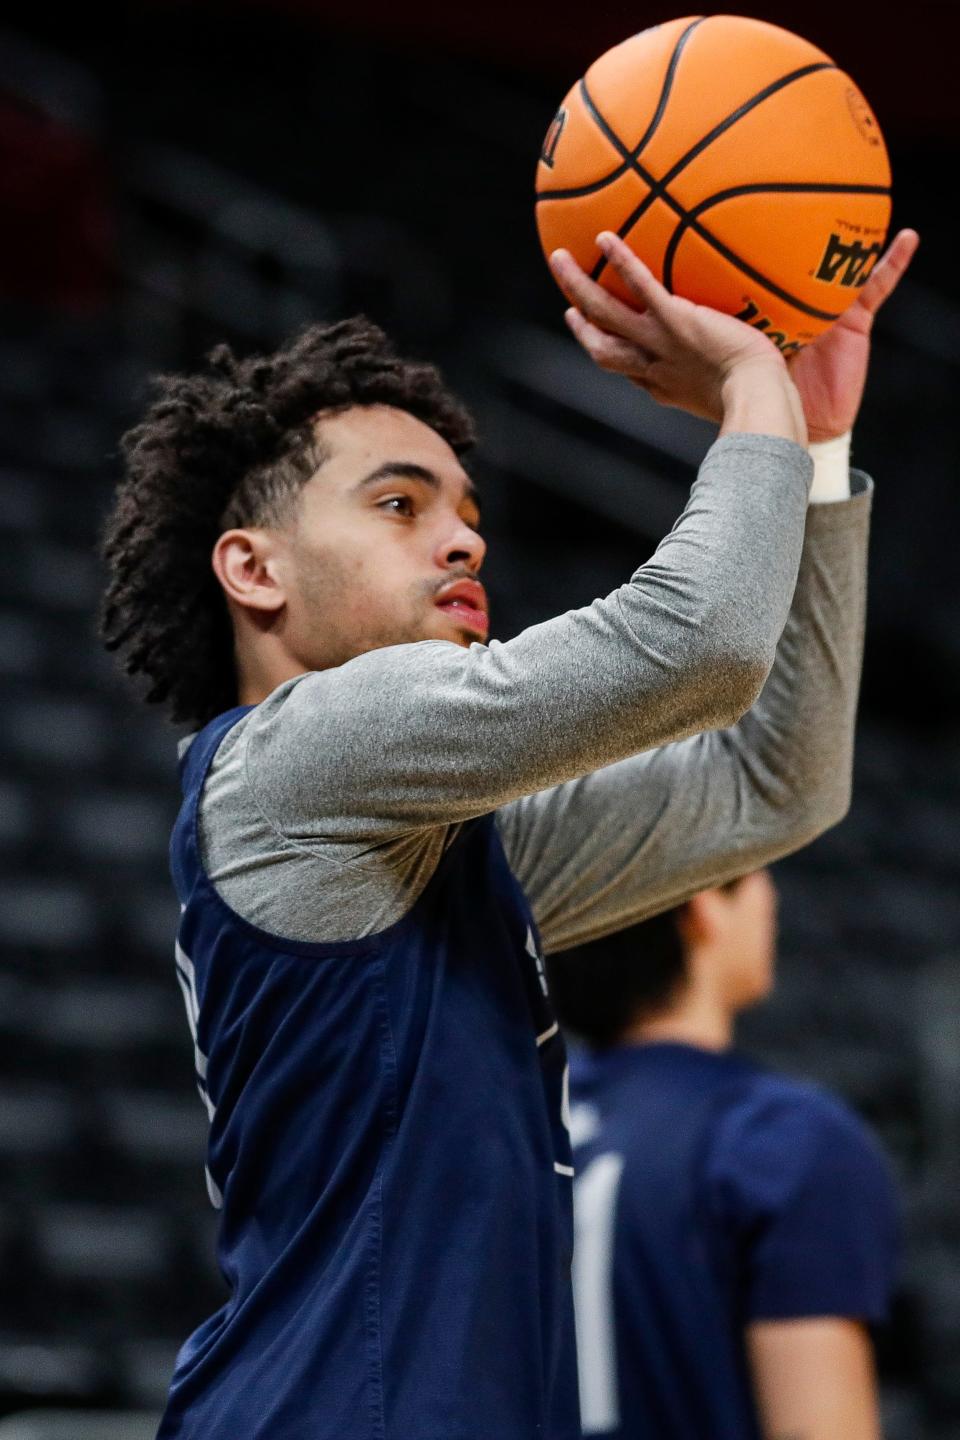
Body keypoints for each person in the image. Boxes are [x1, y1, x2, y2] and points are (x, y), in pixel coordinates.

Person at [100, 228, 916, 1439]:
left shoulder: (429, 841)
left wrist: (817, 448)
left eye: (467, 510)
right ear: (252, 568)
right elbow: (701, 647)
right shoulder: (306, 751)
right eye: (399, 503)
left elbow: (772, 783)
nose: (466, 537)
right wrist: (754, 391)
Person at [548, 868, 900, 1440]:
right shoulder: (781, 1136)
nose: (772, 894)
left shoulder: (512, 1133)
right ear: (704, 905)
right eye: (759, 866)